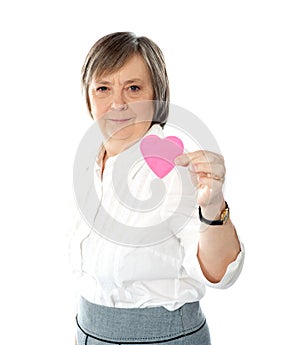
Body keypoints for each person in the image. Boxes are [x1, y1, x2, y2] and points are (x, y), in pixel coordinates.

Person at [70, 32, 245, 345]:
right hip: (88, 333)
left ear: (157, 95)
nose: (117, 103)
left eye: (133, 88)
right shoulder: (90, 164)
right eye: (103, 88)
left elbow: (220, 273)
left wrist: (213, 207)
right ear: (87, 97)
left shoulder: (176, 169)